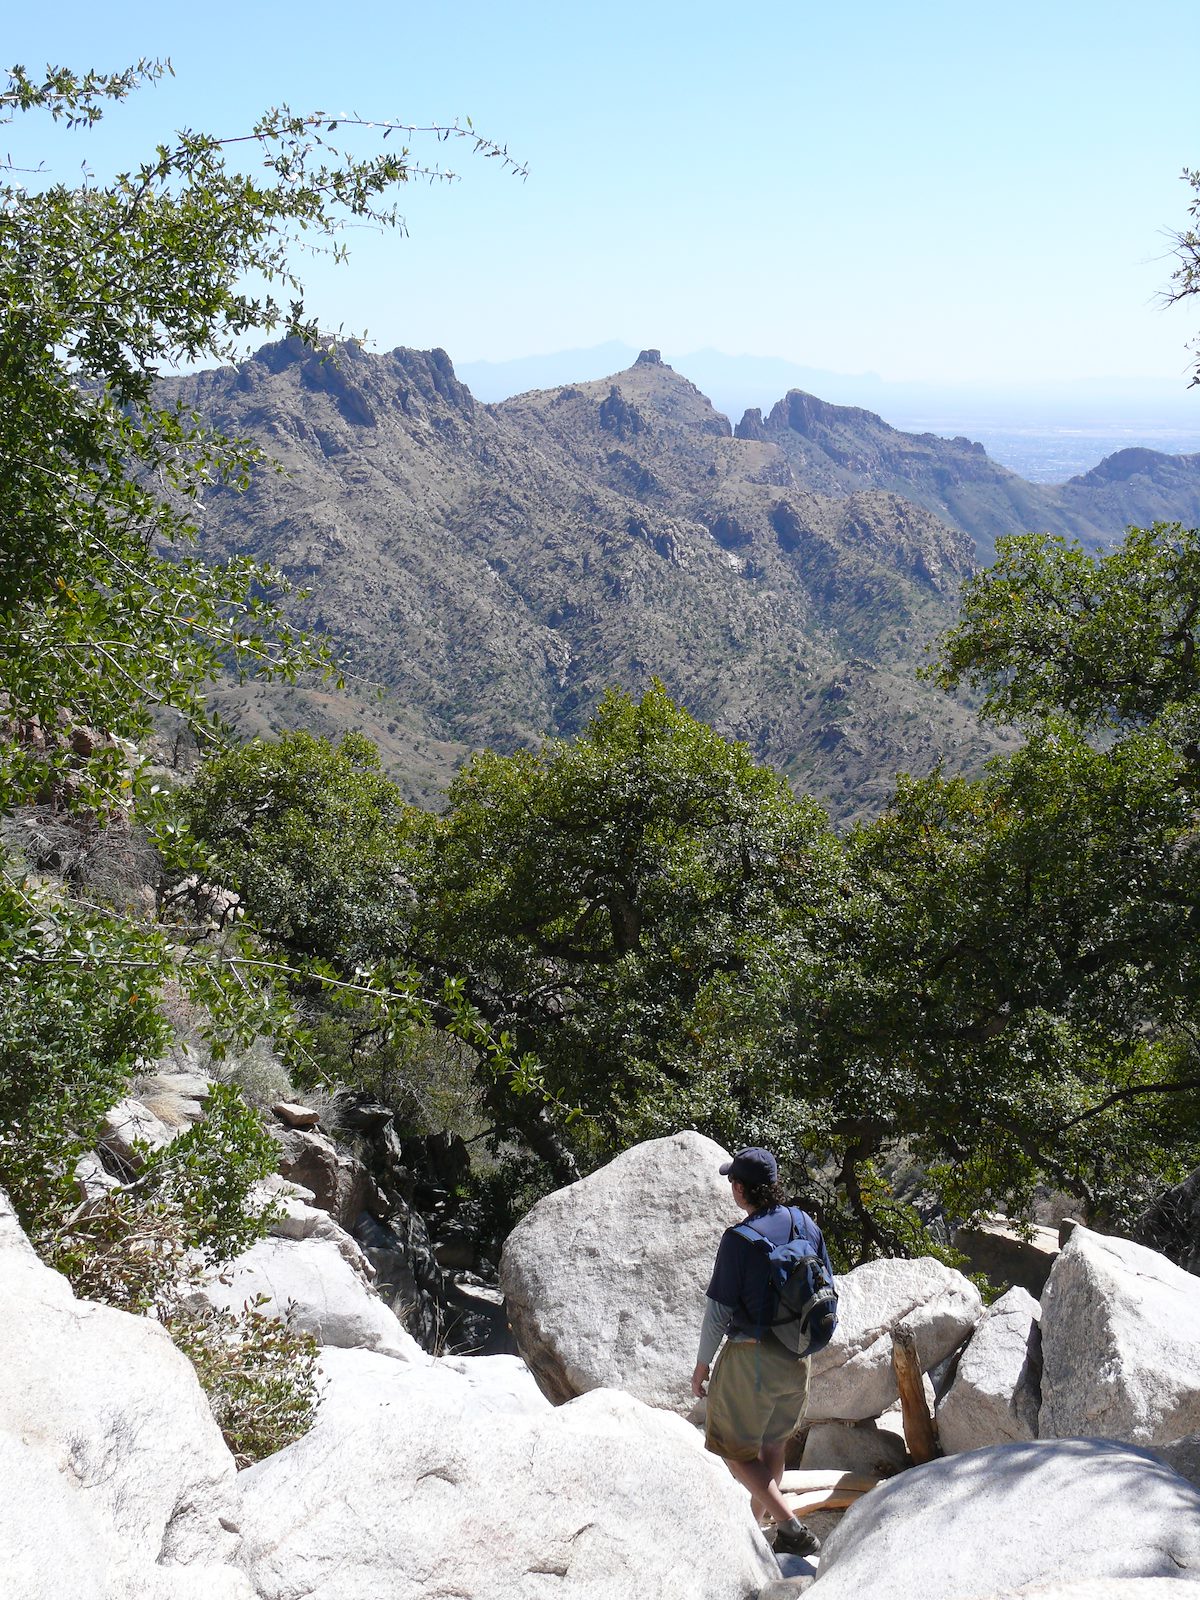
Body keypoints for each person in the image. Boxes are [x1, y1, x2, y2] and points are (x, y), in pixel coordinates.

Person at [691, 1146, 832, 1559]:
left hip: (751, 1362)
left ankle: (789, 1526)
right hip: (798, 1357)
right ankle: (755, 1534)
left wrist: (701, 1368)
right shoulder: (805, 1223)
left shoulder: (738, 1240)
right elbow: (826, 1285)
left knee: (735, 1453)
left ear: (739, 1189)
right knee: (773, 1447)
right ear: (772, 1185)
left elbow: (718, 1312)